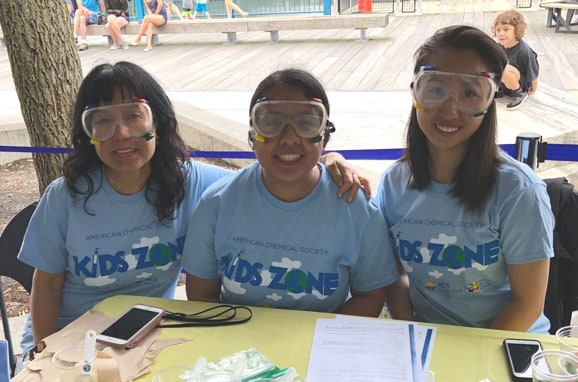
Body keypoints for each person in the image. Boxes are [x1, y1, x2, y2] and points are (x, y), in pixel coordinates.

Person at [17, 62, 367, 358]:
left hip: (146, 338)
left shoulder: (191, 183)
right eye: (102, 121)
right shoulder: (65, 196)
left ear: (158, 123)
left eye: (133, 116)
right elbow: (45, 286)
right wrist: (46, 353)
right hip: (68, 339)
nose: (120, 134)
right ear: (87, 131)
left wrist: (328, 160)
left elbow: (271, 175)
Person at [182, 68, 411, 319]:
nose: (289, 138)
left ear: (324, 135)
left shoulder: (357, 209)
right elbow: (201, 295)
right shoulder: (217, 203)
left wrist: (317, 344)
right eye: (270, 123)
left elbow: (370, 295)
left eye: (306, 123)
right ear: (252, 134)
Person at [376, 25, 554, 333]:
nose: (450, 109)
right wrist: (409, 337)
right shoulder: (393, 183)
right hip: (429, 339)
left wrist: (469, 359)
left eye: (470, 93)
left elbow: (527, 304)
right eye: (435, 89)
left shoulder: (518, 192)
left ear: (488, 103)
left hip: (505, 342)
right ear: (415, 93)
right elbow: (394, 276)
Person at [492, 10, 539, 111]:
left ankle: (519, 94)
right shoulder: (499, 47)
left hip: (520, 85)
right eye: (498, 30)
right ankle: (501, 91)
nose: (501, 34)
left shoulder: (524, 51)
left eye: (506, 29)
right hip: (504, 86)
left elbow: (533, 71)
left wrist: (533, 88)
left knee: (504, 69)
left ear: (517, 30)